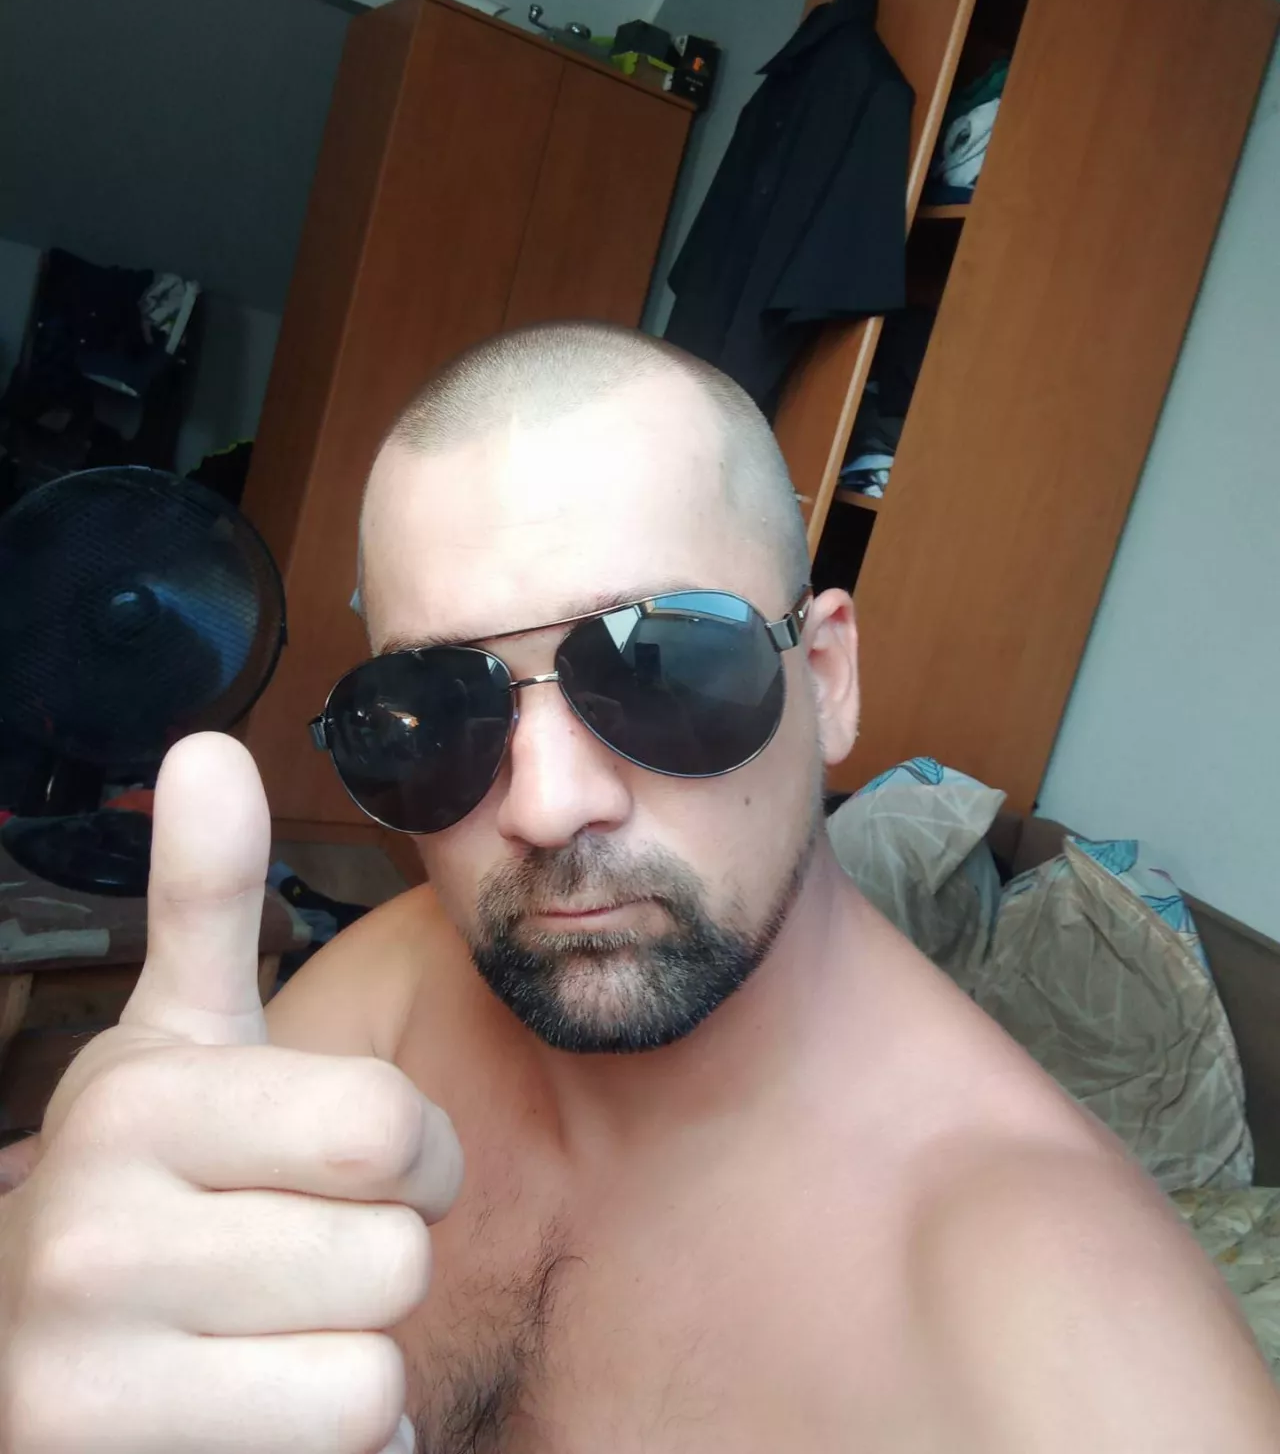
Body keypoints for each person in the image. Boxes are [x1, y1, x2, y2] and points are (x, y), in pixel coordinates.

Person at [1, 321, 1276, 1454]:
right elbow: (110, 1238)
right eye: (439, 707)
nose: (546, 804)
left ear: (824, 678)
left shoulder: (1066, 1345)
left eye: (661, 665)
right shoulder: (402, 983)